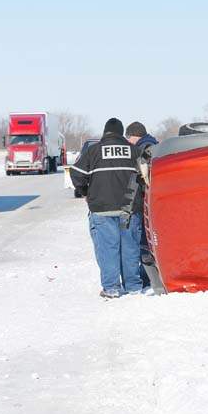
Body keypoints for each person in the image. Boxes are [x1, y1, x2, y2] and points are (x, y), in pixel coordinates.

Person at [70, 118, 145, 298]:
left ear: (105, 133)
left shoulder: (93, 151)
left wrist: (85, 193)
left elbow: (76, 174)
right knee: (130, 247)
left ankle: (111, 288)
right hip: (129, 208)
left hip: (102, 208)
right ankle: (134, 286)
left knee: (108, 248)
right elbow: (145, 177)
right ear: (121, 134)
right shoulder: (135, 151)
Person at [124, 122, 159, 289]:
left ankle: (147, 277)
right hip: (153, 198)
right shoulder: (153, 144)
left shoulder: (144, 149)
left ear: (134, 136)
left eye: (128, 138)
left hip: (146, 199)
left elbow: (140, 176)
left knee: (145, 242)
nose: (128, 142)